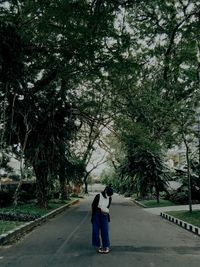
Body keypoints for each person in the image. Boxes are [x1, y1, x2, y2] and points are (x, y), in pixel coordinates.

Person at [91, 185, 114, 254]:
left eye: (110, 195)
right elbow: (93, 205)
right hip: (97, 214)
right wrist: (98, 211)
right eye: (108, 194)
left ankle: (106, 246)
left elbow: (108, 207)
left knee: (105, 231)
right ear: (105, 191)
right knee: (95, 231)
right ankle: (98, 246)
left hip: (104, 215)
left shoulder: (110, 198)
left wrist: (105, 211)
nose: (108, 196)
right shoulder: (98, 196)